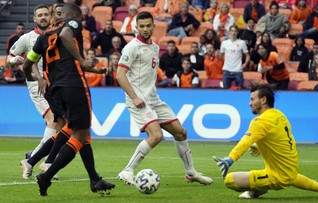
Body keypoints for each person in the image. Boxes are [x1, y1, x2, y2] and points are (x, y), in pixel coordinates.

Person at [22, 3, 115, 196]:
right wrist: (82, 61)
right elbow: (66, 36)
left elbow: (27, 63)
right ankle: (47, 175)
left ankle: (94, 179)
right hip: (74, 86)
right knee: (79, 135)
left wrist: (35, 78)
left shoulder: (43, 37)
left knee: (76, 130)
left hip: (55, 90)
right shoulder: (72, 23)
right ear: (72, 15)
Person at [116, 11, 213, 186]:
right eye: (142, 26)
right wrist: (134, 97)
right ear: (136, 27)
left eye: (148, 26)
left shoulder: (154, 47)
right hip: (138, 100)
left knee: (180, 132)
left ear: (154, 26)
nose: (145, 29)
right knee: (156, 135)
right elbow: (120, 75)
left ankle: (191, 172)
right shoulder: (131, 47)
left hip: (153, 99)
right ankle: (127, 170)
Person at [213, 83, 318, 199]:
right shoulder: (280, 115)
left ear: (263, 100)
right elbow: (277, 141)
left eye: (252, 99)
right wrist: (259, 146)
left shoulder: (260, 121)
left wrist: (230, 159)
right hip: (290, 169)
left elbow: (245, 141)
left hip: (277, 176)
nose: (249, 103)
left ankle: (261, 188)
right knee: (289, 176)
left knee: (230, 180)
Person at [6, 5, 58, 161]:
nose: (43, 17)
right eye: (39, 15)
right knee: (52, 120)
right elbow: (8, 59)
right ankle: (47, 164)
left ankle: (32, 158)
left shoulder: (56, 36)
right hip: (37, 85)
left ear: (51, 17)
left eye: (46, 15)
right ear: (34, 19)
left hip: (55, 84)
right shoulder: (26, 38)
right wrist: (14, 59)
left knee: (58, 125)